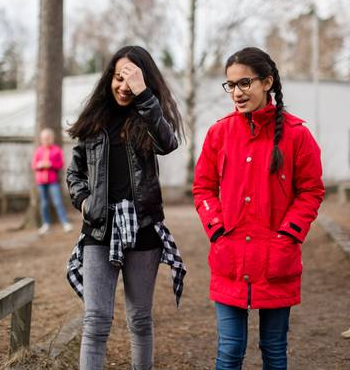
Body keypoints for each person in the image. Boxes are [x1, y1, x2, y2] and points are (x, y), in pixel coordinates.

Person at [193, 47, 324, 370]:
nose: (236, 92)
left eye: (244, 83)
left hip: (277, 260)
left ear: (267, 82)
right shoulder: (219, 133)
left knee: (274, 351)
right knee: (229, 352)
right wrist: (217, 229)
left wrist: (288, 236)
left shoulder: (297, 135)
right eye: (231, 85)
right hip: (230, 260)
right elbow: (203, 188)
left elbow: (311, 191)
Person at [66, 45, 186, 370]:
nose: (123, 86)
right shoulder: (94, 121)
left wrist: (144, 94)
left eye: (131, 79)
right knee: (96, 320)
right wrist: (84, 201)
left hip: (143, 227)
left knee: (140, 319)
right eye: (119, 77)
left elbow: (168, 143)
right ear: (110, 78)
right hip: (99, 228)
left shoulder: (149, 117)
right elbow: (75, 172)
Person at [32, 128, 73, 235]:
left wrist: (51, 164)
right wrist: (39, 165)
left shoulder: (57, 150)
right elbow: (34, 165)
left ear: (52, 138)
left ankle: (65, 223)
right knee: (44, 203)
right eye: (44, 138)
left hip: (53, 181)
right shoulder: (39, 151)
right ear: (41, 139)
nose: (46, 140)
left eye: (47, 138)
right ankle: (46, 224)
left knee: (58, 202)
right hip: (41, 181)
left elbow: (61, 164)